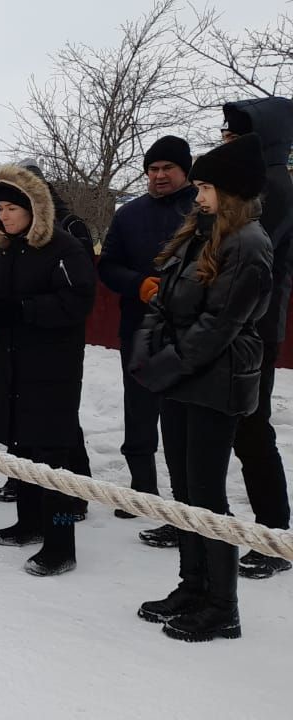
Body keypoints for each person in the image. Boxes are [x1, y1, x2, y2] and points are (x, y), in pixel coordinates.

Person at [129, 133, 272, 642]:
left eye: (206, 185)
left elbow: (219, 326)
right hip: (182, 380)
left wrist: (164, 368)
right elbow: (163, 299)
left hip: (218, 384)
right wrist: (146, 355)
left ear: (230, 191)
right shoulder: (198, 233)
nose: (198, 193)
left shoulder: (250, 244)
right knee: (185, 491)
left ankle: (223, 606)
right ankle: (192, 586)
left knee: (208, 496)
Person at [0, 164, 96, 576]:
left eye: (12, 208)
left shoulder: (63, 248)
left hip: (53, 367)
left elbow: (77, 302)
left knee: (54, 458)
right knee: (21, 447)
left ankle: (61, 542)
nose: (4, 216)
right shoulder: (4, 248)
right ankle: (29, 522)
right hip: (13, 365)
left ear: (35, 207)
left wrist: (19, 310)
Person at [97, 136, 196, 522]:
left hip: (188, 330)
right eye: (152, 169)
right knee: (138, 411)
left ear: (184, 170)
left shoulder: (201, 209)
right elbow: (108, 266)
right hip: (138, 326)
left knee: (183, 413)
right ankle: (142, 489)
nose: (158, 176)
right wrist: (137, 284)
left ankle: (187, 497)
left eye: (166, 168)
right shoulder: (129, 214)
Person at [218, 98, 293, 580]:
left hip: (253, 330)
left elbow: (244, 261)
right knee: (216, 427)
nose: (225, 135)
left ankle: (274, 534)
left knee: (251, 427)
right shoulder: (247, 184)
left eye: (236, 130)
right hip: (231, 325)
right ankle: (205, 523)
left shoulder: (275, 188)